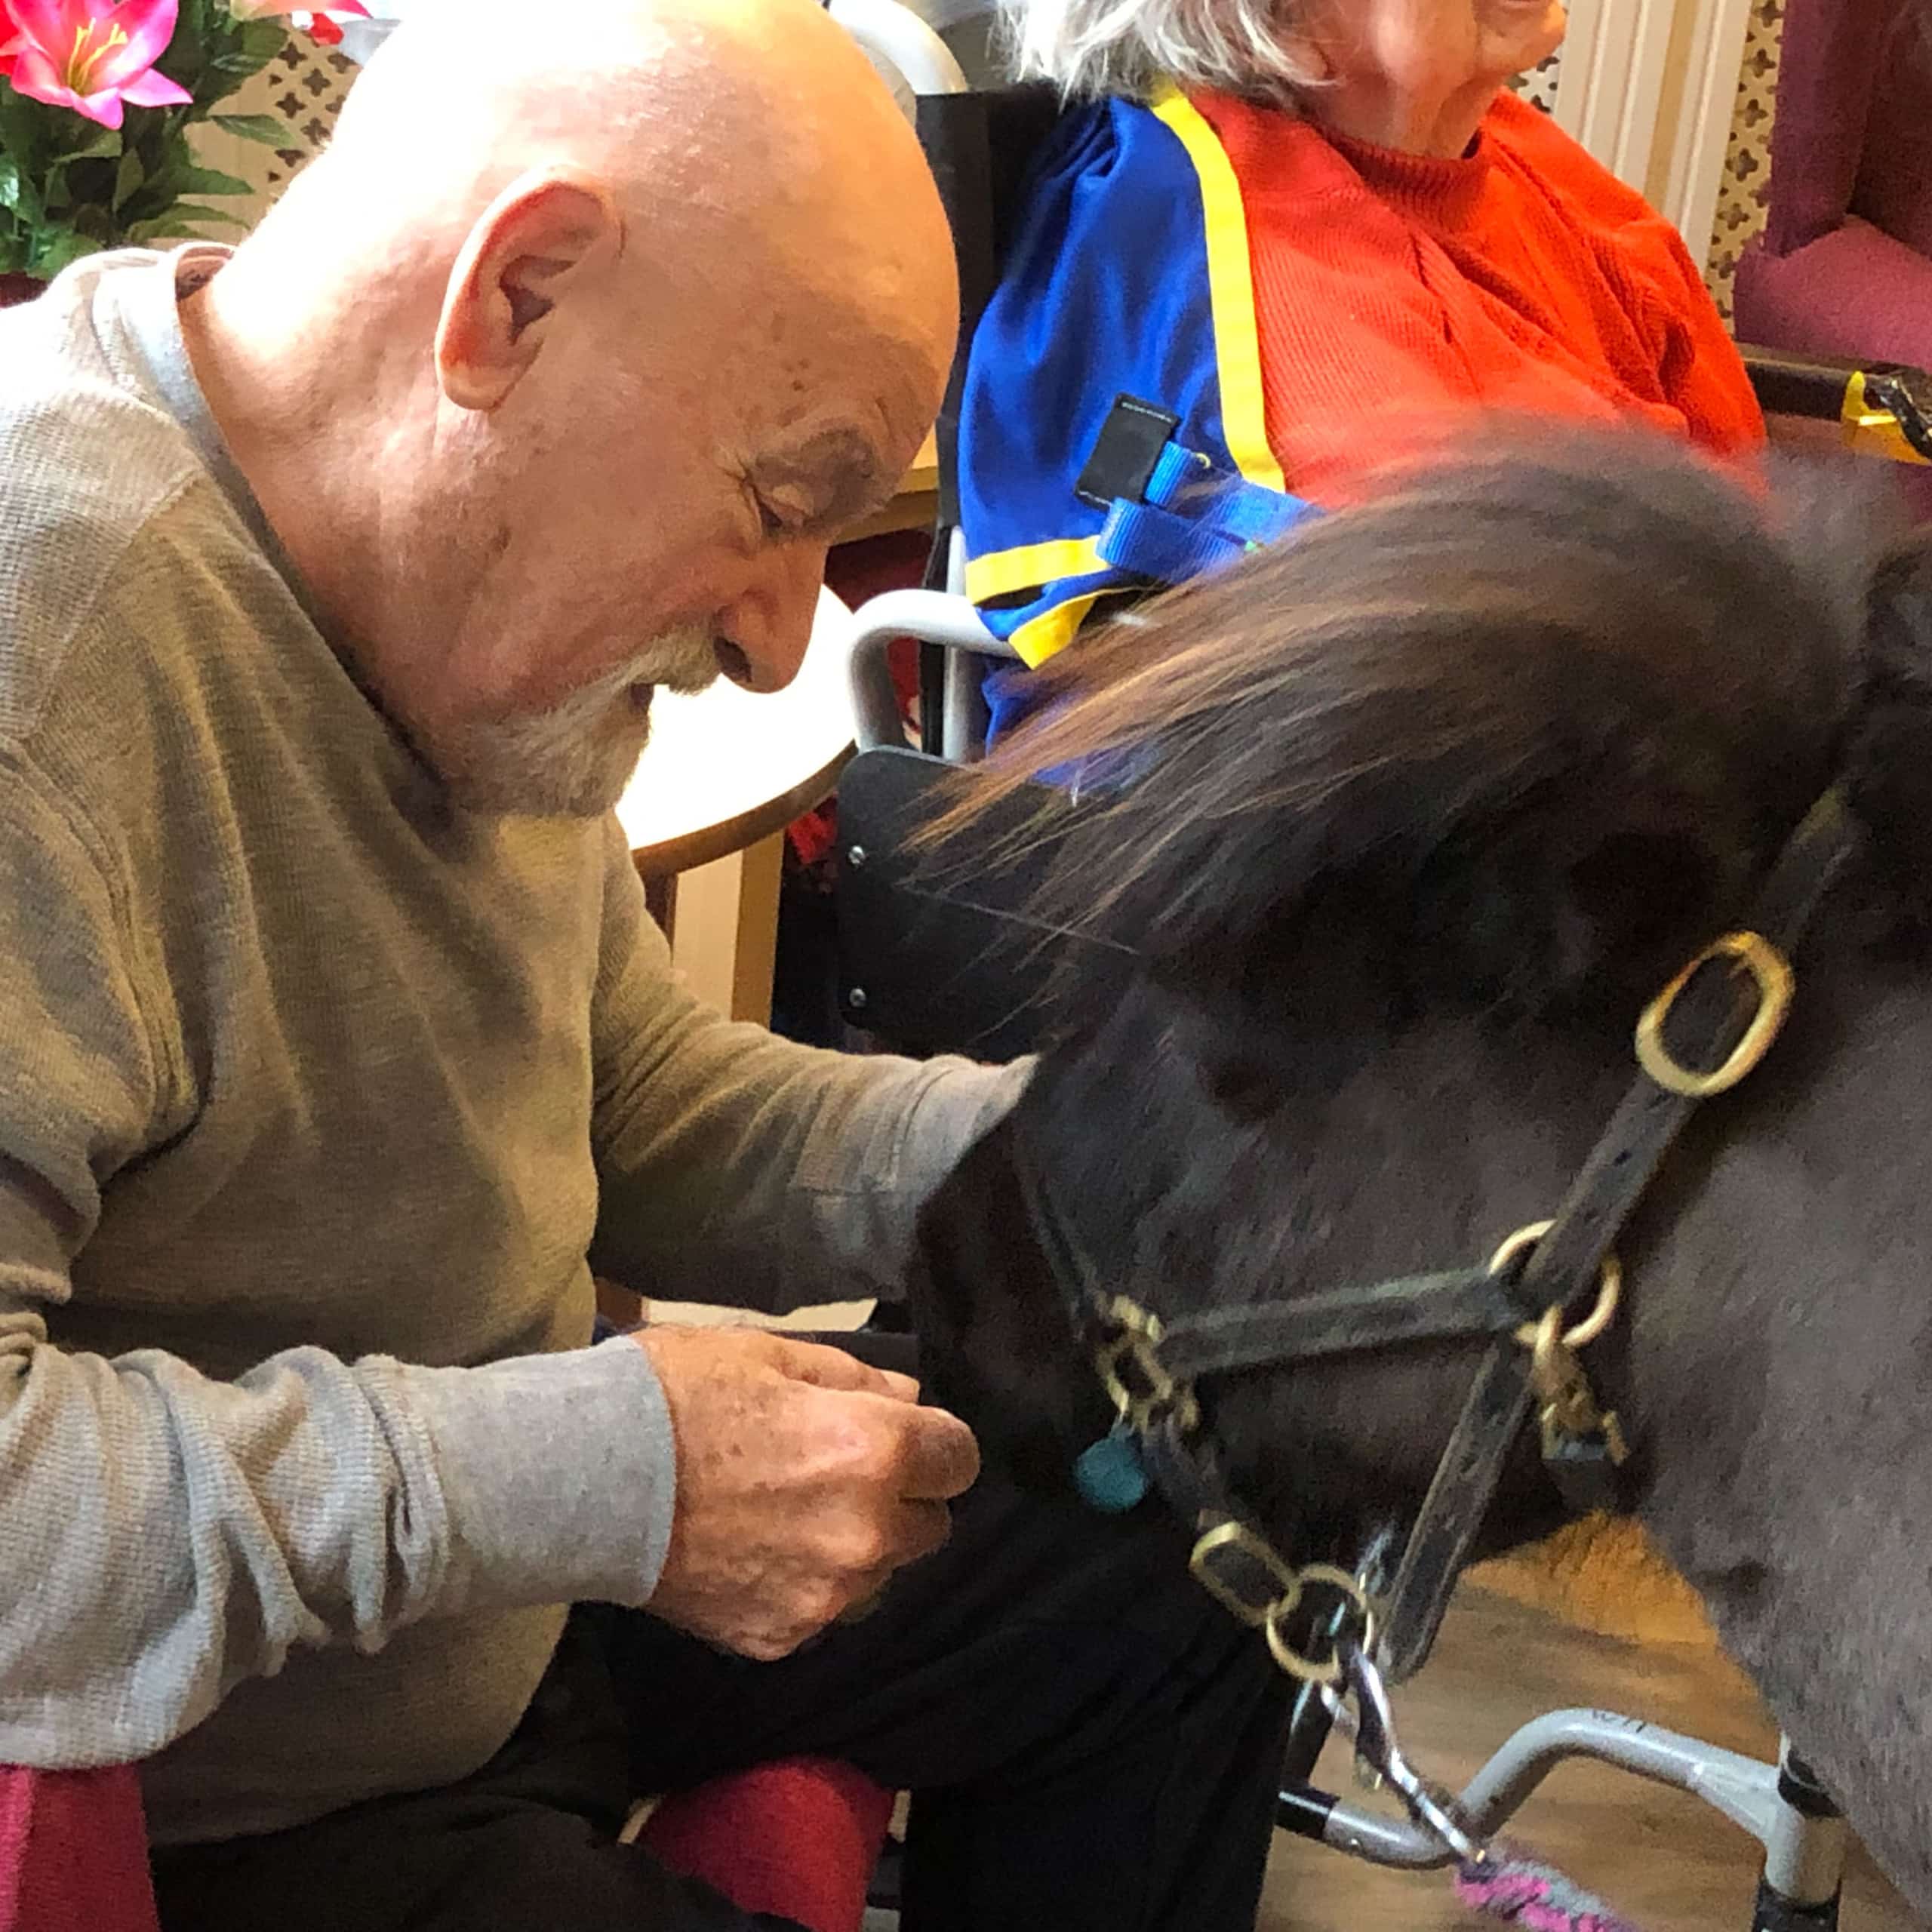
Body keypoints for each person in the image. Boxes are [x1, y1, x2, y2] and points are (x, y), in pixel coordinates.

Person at [0, 0, 1291, 1924]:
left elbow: (634, 1096)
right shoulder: (55, 641)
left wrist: (1083, 1163)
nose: (787, 642)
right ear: (514, 296)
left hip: (493, 1621)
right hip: (234, 1792)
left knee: (1192, 1561)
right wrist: (590, 1468)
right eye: (781, 505)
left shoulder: (450, 593)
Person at [956, 0, 1766, 677]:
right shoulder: (1267, 292)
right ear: (1265, 16)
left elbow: (1732, 468)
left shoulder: (1494, 144)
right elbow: (1495, 671)